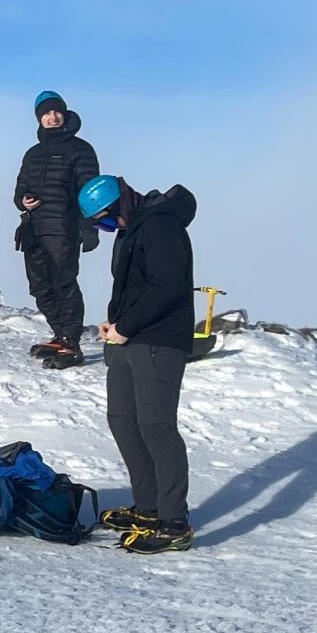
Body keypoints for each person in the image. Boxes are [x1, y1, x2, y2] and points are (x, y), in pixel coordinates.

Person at [82, 174, 199, 553]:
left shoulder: (160, 225)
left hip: (159, 341)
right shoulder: (131, 229)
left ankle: (173, 522)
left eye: (103, 220)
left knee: (156, 426)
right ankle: (147, 508)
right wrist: (114, 322)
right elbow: (134, 287)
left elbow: (167, 286)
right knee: (123, 420)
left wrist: (127, 326)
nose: (104, 228)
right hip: (130, 339)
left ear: (119, 205)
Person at [13, 91, 100, 368]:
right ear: (39, 118)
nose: (52, 118)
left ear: (64, 114)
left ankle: (72, 343)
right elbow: (19, 189)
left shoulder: (80, 149)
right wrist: (23, 201)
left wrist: (89, 228)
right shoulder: (33, 153)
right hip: (33, 228)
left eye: (56, 112)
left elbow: (91, 193)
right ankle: (60, 333)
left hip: (64, 228)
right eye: (46, 113)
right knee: (39, 286)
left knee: (64, 284)